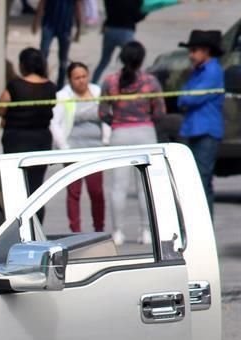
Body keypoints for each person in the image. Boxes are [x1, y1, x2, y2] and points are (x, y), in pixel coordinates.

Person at [99, 41, 165, 245]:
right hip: (145, 133)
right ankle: (145, 231)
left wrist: (118, 122)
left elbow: (102, 112)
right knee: (144, 186)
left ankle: (118, 232)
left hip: (120, 134)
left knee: (118, 186)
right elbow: (160, 112)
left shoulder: (110, 82)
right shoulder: (151, 82)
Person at [0, 47, 58, 223]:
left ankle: (17, 226)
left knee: (15, 189)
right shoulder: (50, 87)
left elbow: (0, 109)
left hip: (16, 140)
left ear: (22, 65)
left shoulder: (15, 86)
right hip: (41, 141)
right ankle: (37, 226)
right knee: (36, 188)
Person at [50, 61, 110, 232]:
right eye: (77, 78)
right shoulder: (63, 96)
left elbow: (107, 117)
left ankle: (99, 229)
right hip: (72, 150)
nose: (81, 81)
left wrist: (106, 140)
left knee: (96, 192)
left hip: (95, 150)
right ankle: (75, 231)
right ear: (70, 80)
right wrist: (64, 147)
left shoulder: (98, 92)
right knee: (74, 192)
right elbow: (55, 123)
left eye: (84, 76)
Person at [177, 30, 225, 217]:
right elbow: (183, 97)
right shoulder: (197, 72)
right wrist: (185, 97)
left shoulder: (213, 71)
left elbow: (190, 99)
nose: (191, 55)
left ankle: (204, 224)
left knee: (202, 181)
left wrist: (185, 97)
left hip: (206, 131)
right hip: (193, 129)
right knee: (194, 181)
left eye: (195, 50)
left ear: (206, 51)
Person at [91, 0, 144, 83]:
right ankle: (131, 84)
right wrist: (145, 13)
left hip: (110, 29)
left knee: (104, 61)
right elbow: (137, 17)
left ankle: (93, 83)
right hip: (126, 31)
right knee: (130, 61)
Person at [33, 0, 83, 89]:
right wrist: (36, 21)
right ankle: (41, 80)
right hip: (49, 25)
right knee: (43, 55)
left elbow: (78, 8)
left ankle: (60, 85)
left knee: (63, 60)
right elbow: (42, 4)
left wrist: (79, 29)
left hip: (65, 27)